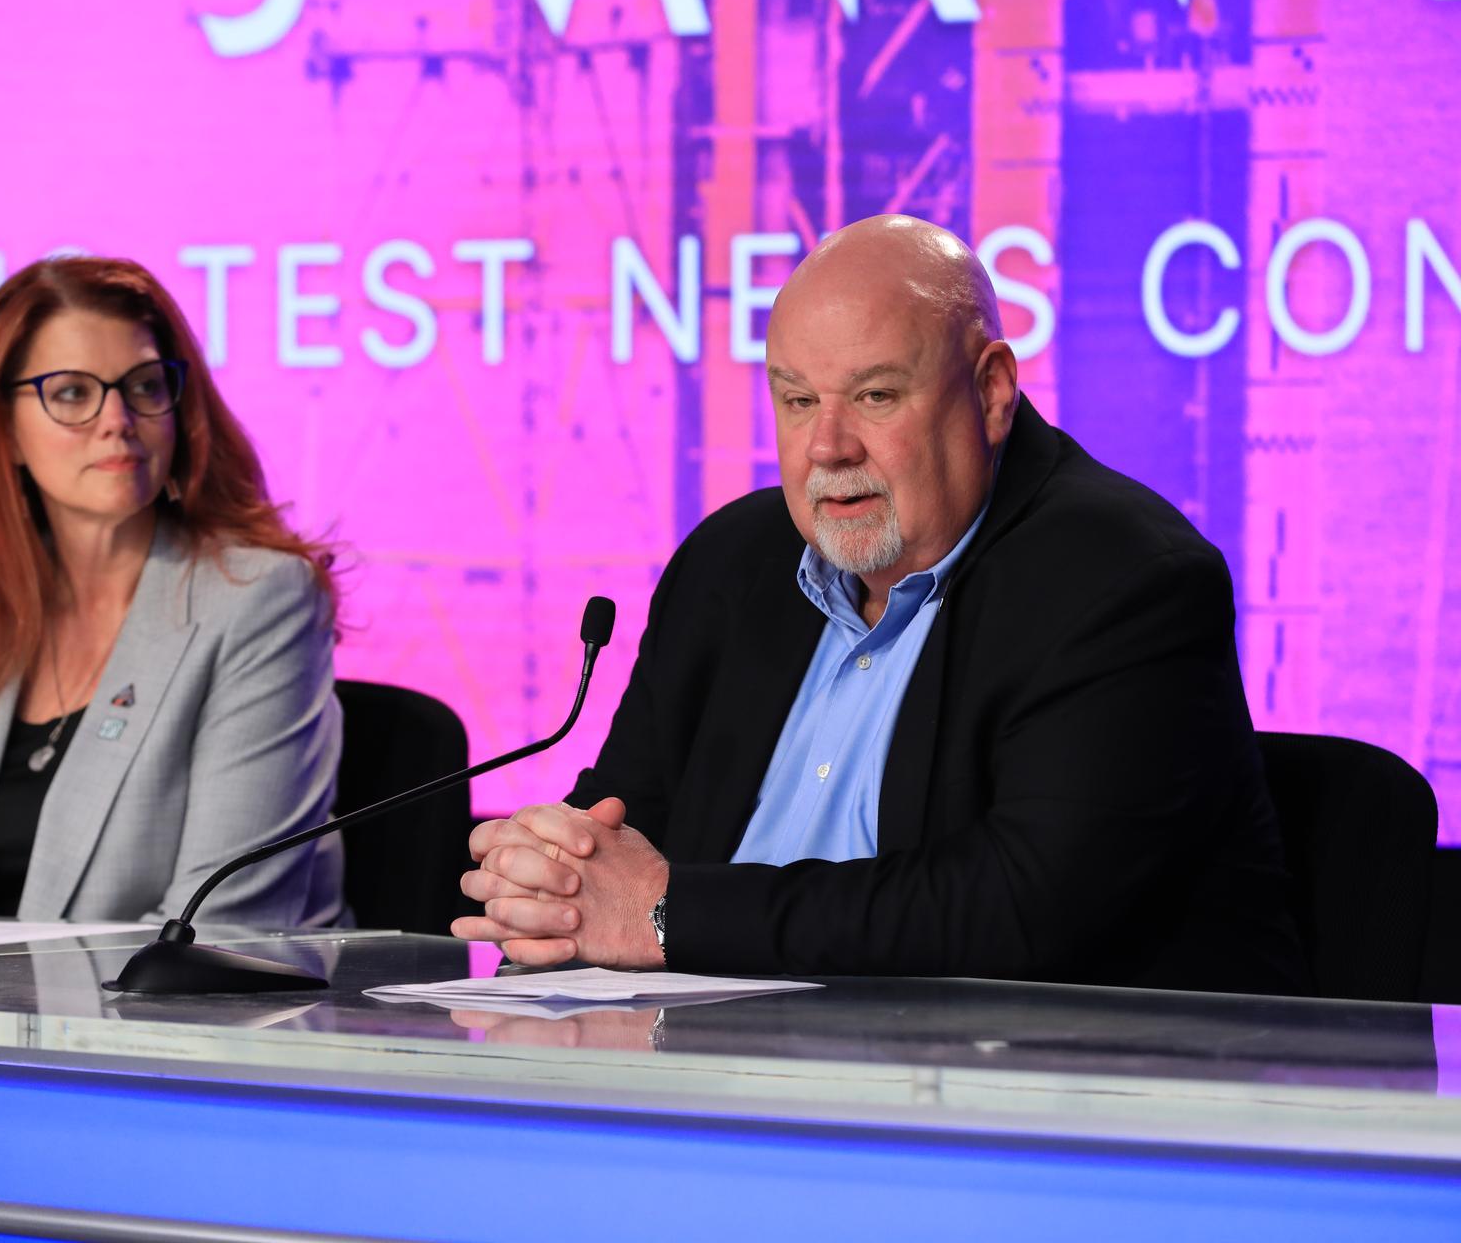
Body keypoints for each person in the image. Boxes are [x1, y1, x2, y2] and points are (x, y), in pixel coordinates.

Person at [454, 215, 1309, 995]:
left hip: (1039, 1111)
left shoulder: (1122, 578)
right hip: (717, 1083)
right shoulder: (732, 563)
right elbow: (620, 830)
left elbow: (1021, 910)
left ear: (993, 392)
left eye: (875, 396)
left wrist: (669, 918)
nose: (827, 447)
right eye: (797, 401)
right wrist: (554, 888)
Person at [0, 256, 345, 926]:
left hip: (188, 1026)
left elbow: (221, 928)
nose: (117, 418)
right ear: (4, 432)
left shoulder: (258, 600)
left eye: (144, 386)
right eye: (73, 393)